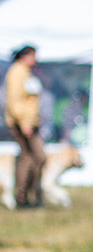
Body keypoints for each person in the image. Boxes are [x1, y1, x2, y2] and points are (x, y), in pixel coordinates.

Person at [4, 45, 46, 209]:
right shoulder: (17, 73)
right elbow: (15, 102)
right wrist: (24, 123)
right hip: (22, 124)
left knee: (35, 158)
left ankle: (30, 194)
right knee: (29, 158)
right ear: (25, 56)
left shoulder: (26, 72)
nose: (36, 59)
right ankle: (22, 198)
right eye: (33, 56)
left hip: (30, 123)